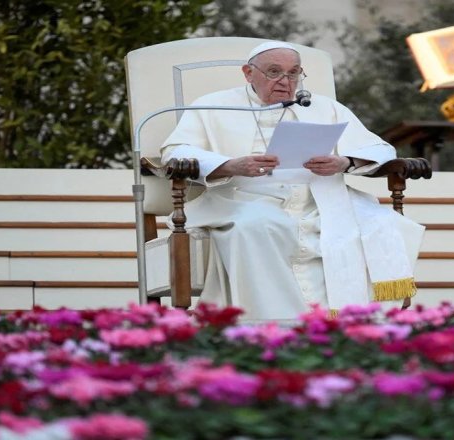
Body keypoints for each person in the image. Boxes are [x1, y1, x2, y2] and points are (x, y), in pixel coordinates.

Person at [160, 41, 424, 320]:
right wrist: (230, 165)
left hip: (320, 200)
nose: (285, 82)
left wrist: (344, 162)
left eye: (293, 73)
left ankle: (352, 329)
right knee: (255, 226)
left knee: (375, 225)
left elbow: (381, 149)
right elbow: (174, 152)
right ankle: (273, 326)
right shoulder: (213, 105)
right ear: (248, 73)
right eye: (274, 72)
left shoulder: (325, 108)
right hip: (244, 197)